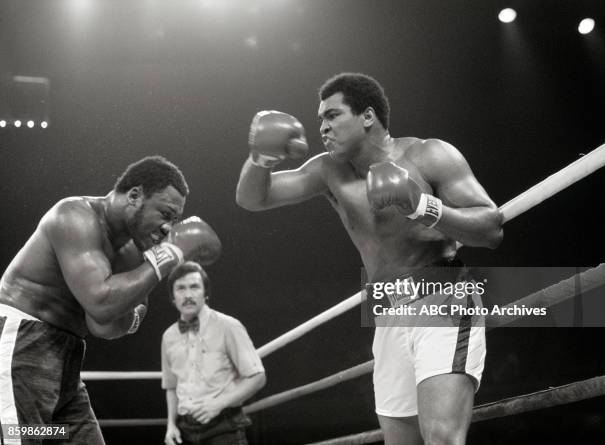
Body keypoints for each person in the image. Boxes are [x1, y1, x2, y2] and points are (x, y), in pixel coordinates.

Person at [235, 73, 503, 445]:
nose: (323, 128)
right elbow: (253, 199)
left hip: (443, 297)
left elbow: (490, 228)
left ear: (367, 116)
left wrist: (421, 205)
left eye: (332, 115)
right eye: (320, 120)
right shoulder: (329, 170)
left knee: (442, 437)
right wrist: (260, 158)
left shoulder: (428, 154)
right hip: (387, 314)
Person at [0, 156, 221, 445]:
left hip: (67, 356)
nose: (169, 228)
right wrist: (165, 259)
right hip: (22, 344)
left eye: (174, 220)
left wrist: (130, 294)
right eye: (165, 213)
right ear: (134, 195)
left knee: (68, 437)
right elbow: (103, 304)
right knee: (20, 438)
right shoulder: (74, 217)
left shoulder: (132, 252)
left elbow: (105, 326)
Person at [162, 261, 266, 445]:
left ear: (206, 293)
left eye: (194, 287)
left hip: (224, 427)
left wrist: (218, 404)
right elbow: (171, 386)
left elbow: (257, 377)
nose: (187, 295)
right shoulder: (169, 336)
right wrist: (171, 425)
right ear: (172, 297)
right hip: (184, 430)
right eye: (180, 288)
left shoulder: (228, 326)